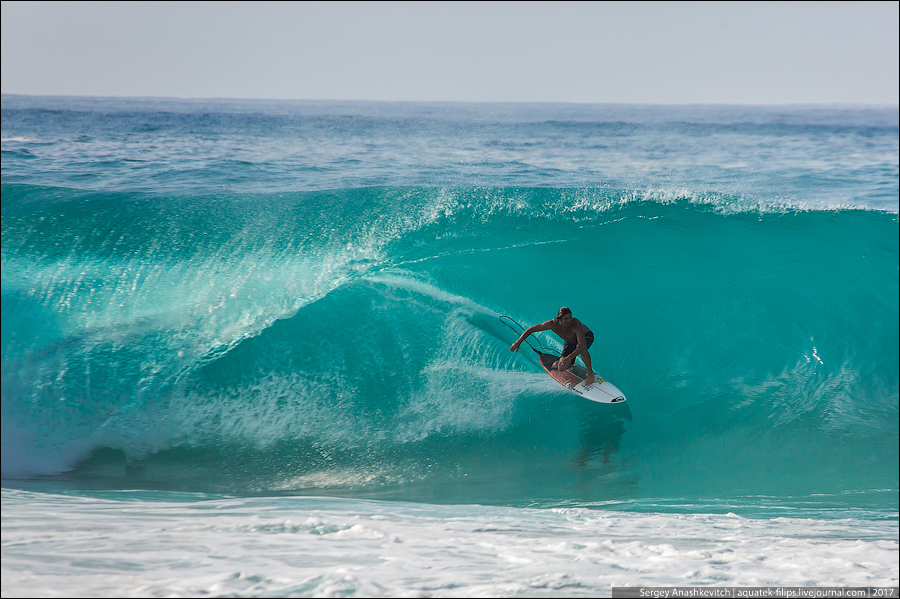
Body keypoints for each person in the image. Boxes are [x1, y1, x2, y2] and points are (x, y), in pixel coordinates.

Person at [510, 307, 596, 385]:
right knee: (561, 368)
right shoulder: (552, 324)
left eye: (570, 317)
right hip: (570, 341)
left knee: (582, 349)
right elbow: (532, 329)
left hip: (586, 337)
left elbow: (581, 345)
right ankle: (560, 363)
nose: (569, 320)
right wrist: (518, 342)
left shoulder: (575, 324)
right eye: (566, 319)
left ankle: (590, 372)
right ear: (559, 319)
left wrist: (569, 357)